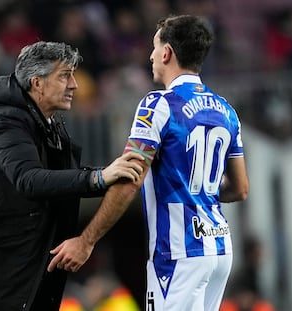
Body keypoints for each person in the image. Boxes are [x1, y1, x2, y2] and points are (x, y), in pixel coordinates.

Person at [0, 41, 144, 311]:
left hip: (0, 282)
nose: (74, 85)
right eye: (64, 75)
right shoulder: (5, 121)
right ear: (37, 83)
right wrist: (99, 178)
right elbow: (29, 180)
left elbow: (56, 185)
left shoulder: (48, 126)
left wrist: (104, 180)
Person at [48, 15, 249, 311]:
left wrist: (86, 241)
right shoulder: (226, 111)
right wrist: (196, 195)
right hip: (219, 248)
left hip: (179, 253)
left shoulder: (158, 104)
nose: (151, 56)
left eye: (154, 48)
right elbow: (241, 188)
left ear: (167, 53)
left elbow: (131, 178)